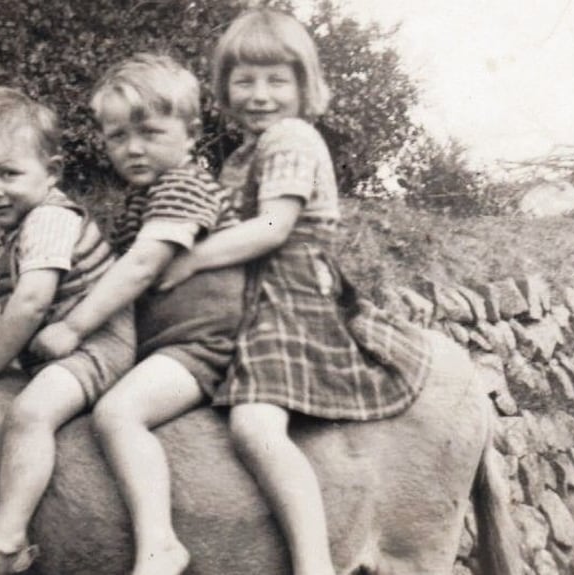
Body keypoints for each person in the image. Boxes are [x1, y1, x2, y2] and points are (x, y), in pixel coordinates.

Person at [155, 9, 433, 575]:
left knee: (256, 427)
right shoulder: (242, 155)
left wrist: (189, 263)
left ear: (304, 86)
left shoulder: (291, 137)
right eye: (245, 80)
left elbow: (272, 228)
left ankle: (314, 565)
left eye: (276, 80)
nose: (260, 95)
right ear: (224, 86)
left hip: (290, 297)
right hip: (251, 298)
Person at [28, 54, 245, 575]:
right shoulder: (139, 199)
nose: (133, 148)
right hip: (172, 342)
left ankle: (160, 544)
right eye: (117, 136)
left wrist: (74, 326)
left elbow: (143, 265)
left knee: (118, 413)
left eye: (149, 132)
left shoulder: (184, 186)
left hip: (209, 343)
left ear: (191, 134)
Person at [0, 87, 137, 575]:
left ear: (53, 171)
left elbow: (32, 300)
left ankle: (5, 544)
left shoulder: (48, 219)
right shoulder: (20, 227)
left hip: (96, 344)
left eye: (8, 173)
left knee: (30, 414)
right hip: (60, 346)